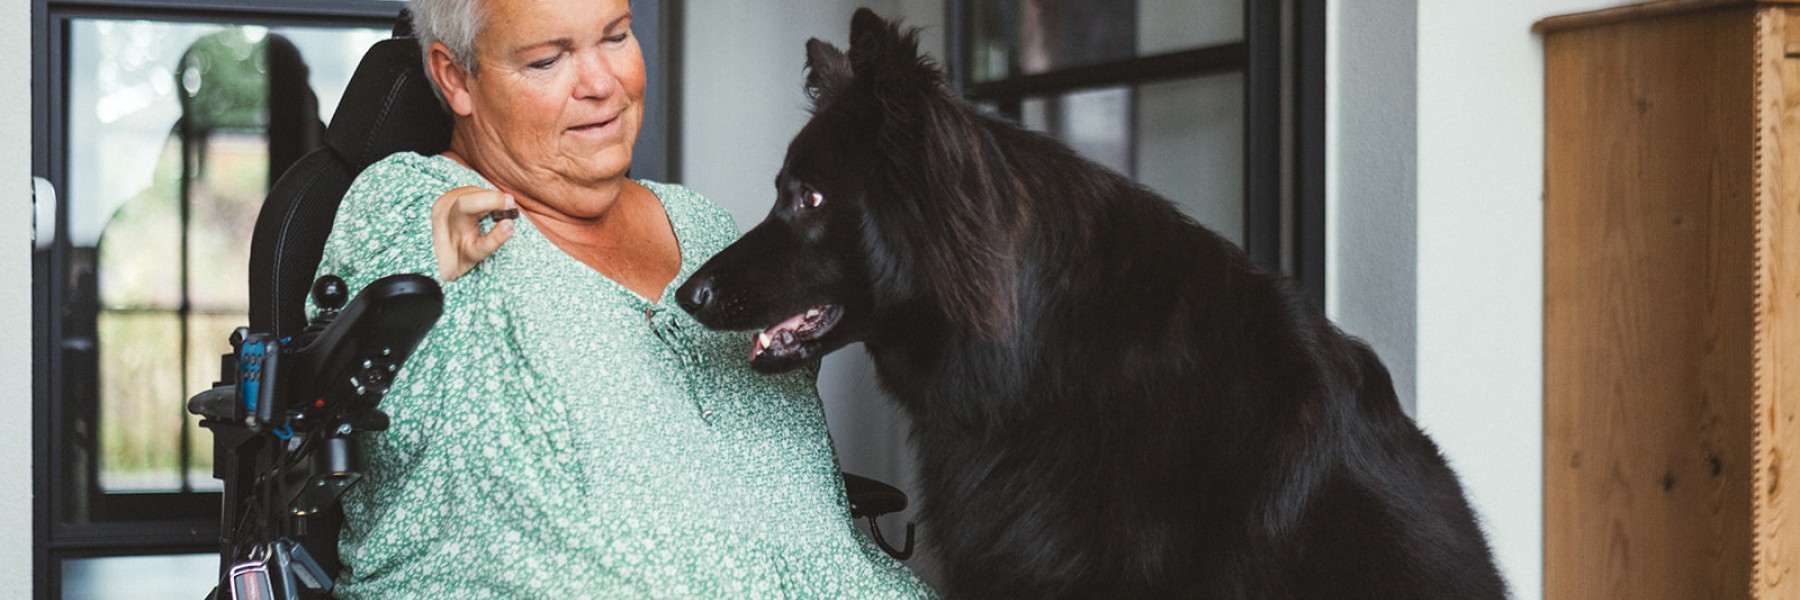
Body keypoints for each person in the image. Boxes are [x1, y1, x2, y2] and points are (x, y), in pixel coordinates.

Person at [312, 0, 935, 596]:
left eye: (615, 36)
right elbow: (415, 256)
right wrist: (456, 223)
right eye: (547, 60)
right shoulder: (408, 202)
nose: (601, 83)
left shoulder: (704, 227)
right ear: (457, 80)